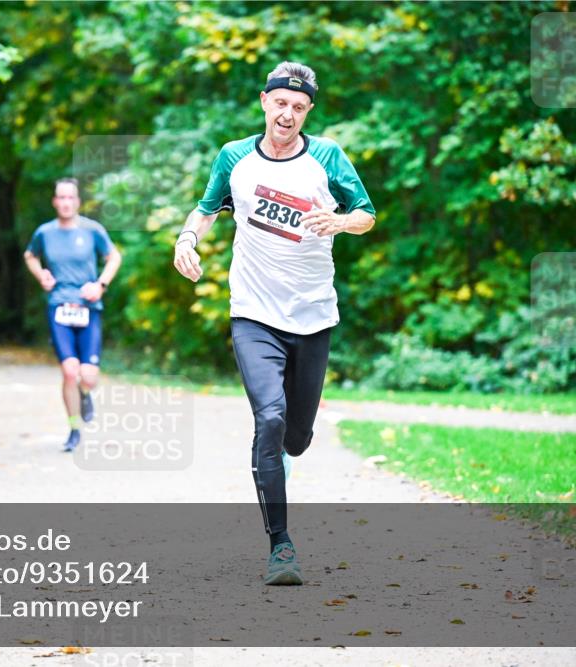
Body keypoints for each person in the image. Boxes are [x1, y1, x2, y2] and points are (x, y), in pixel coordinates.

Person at [173, 62, 376, 585]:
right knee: (269, 418)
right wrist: (187, 239)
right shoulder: (234, 156)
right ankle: (280, 546)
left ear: (307, 112)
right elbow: (206, 208)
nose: (288, 113)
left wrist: (340, 221)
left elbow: (367, 214)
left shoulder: (327, 155)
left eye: (299, 106)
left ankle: (282, 452)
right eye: (280, 102)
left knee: (297, 437)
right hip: (253, 313)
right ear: (264, 101)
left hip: (312, 315)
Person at [24, 177, 122, 452]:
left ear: (77, 201)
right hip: (59, 306)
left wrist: (100, 284)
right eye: (61, 198)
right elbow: (30, 255)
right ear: (55, 202)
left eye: (70, 197)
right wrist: (41, 274)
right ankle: (74, 428)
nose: (66, 202)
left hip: (88, 309)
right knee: (69, 371)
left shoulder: (93, 230)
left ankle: (86, 393)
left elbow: (114, 257)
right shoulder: (45, 233)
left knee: (88, 375)